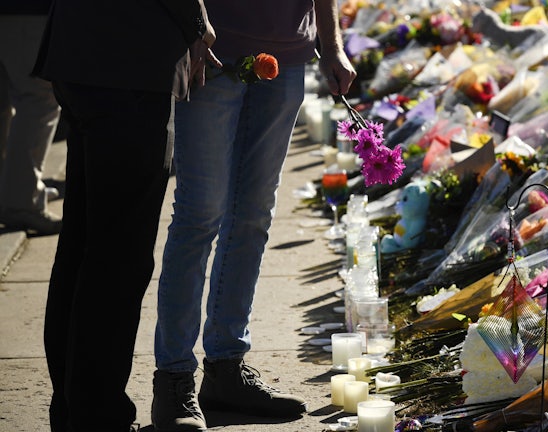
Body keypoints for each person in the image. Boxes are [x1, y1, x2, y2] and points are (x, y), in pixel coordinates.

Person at [151, 1, 356, 430]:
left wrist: (331, 44)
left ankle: (226, 366)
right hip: (211, 48)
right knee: (199, 214)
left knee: (253, 216)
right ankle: (173, 378)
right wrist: (191, 29)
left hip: (286, 59)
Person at [32, 0, 217, 430]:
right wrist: (198, 23)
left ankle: (76, 408)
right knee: (117, 258)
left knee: (83, 248)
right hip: (129, 58)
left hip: (83, 49)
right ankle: (98, 415)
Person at [0, 1, 62, 235]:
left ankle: (13, 189)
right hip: (27, 11)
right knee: (38, 100)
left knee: (9, 101)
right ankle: (21, 199)